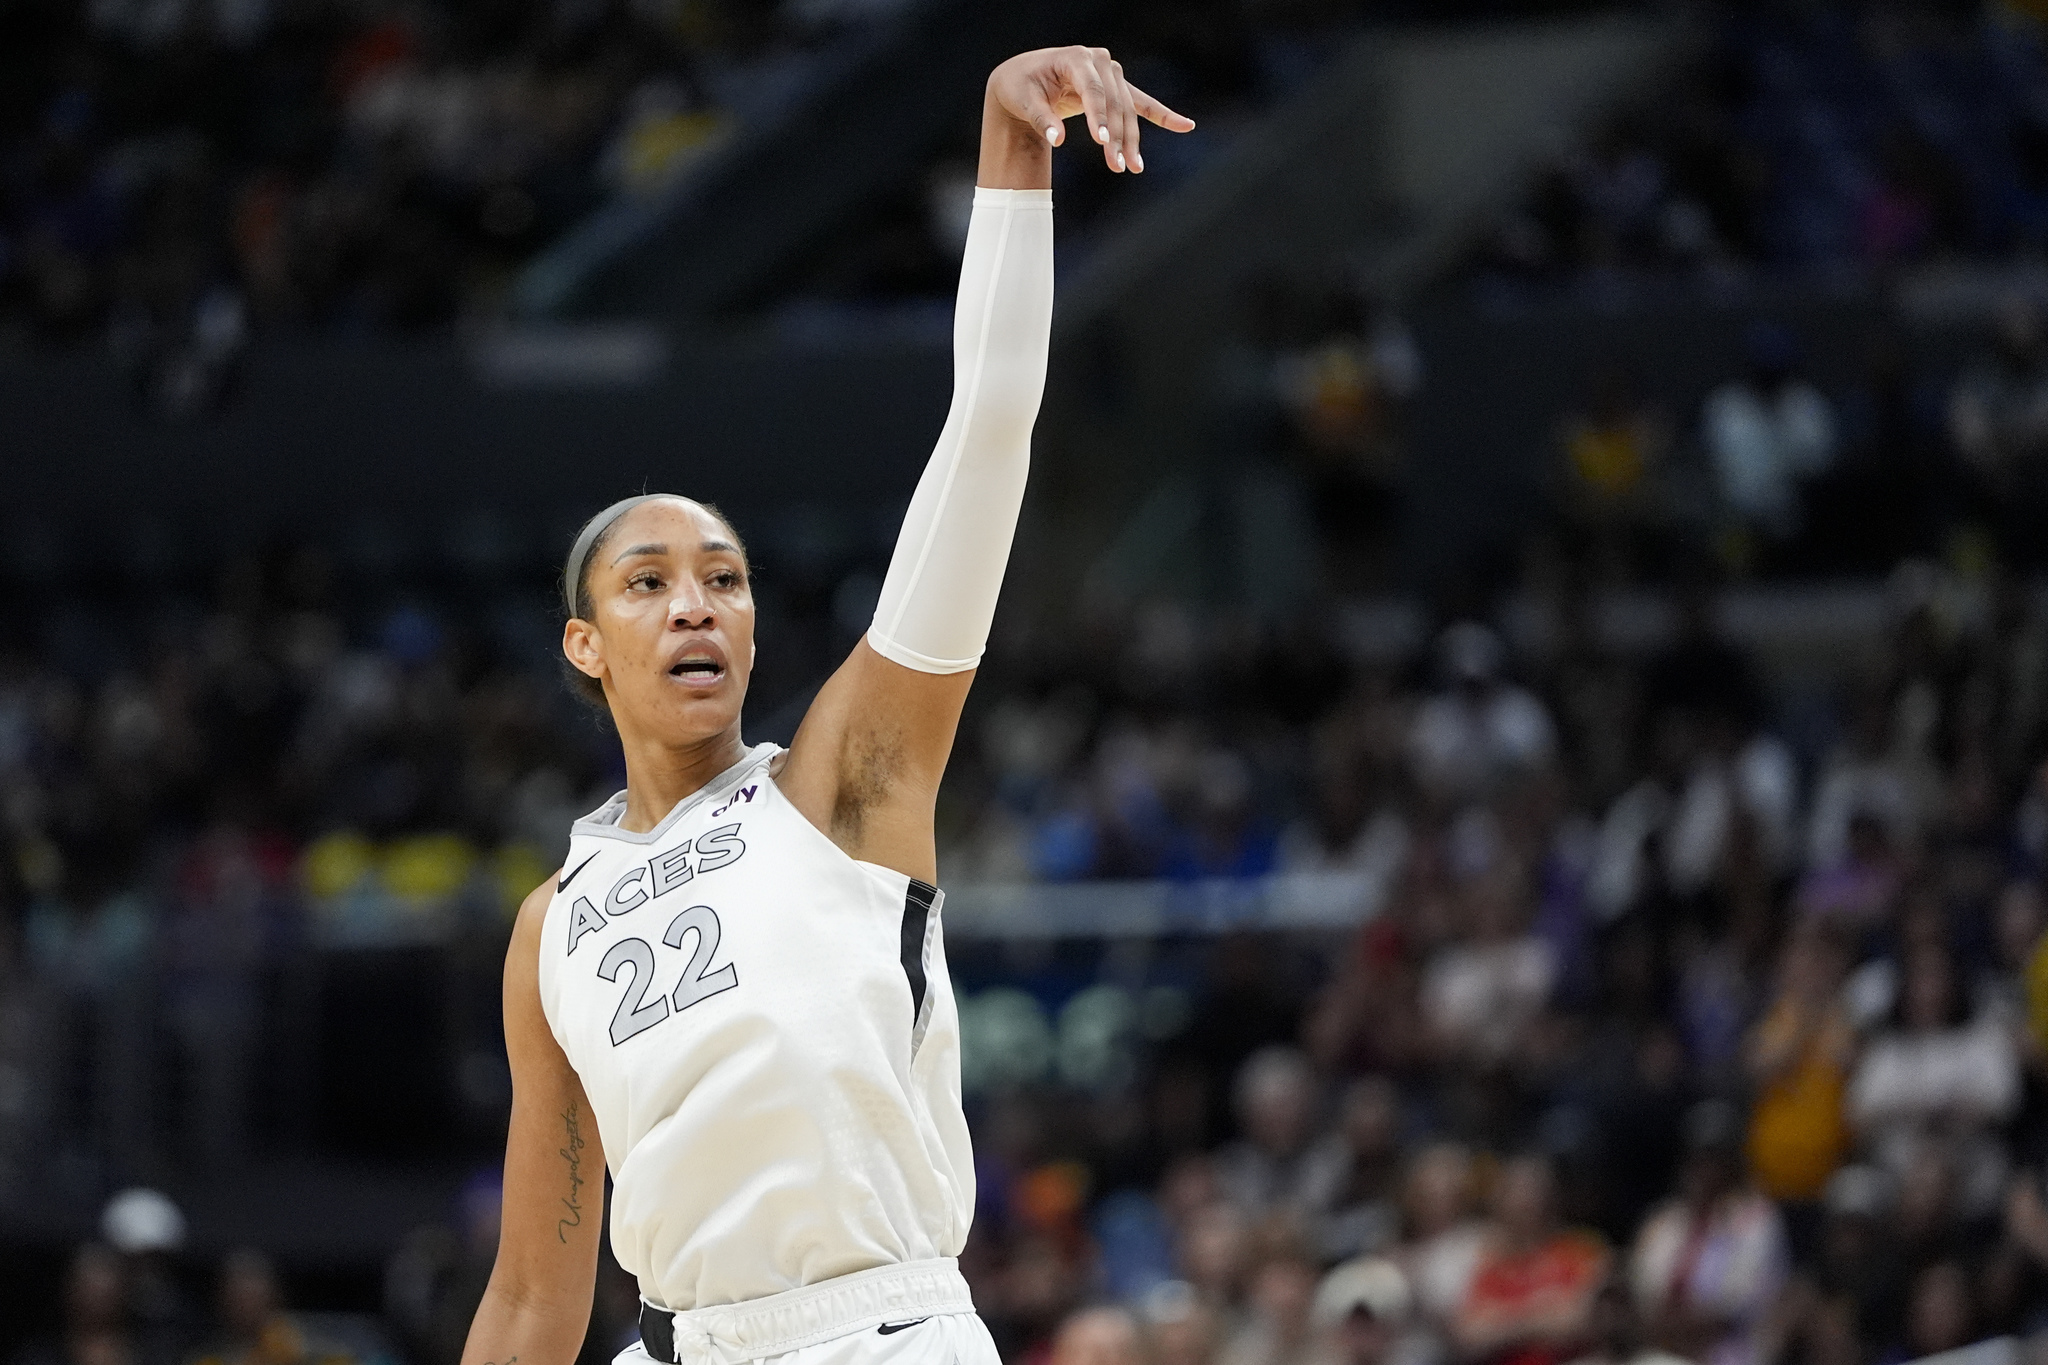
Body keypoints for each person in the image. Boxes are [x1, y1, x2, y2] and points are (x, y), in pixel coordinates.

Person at [460, 44, 1193, 1365]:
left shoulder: (844, 781)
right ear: (585, 643)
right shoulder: (551, 927)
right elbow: (531, 1296)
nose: (696, 604)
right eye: (651, 581)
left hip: (876, 1331)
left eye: (725, 579)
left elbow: (987, 424)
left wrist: (1011, 155)